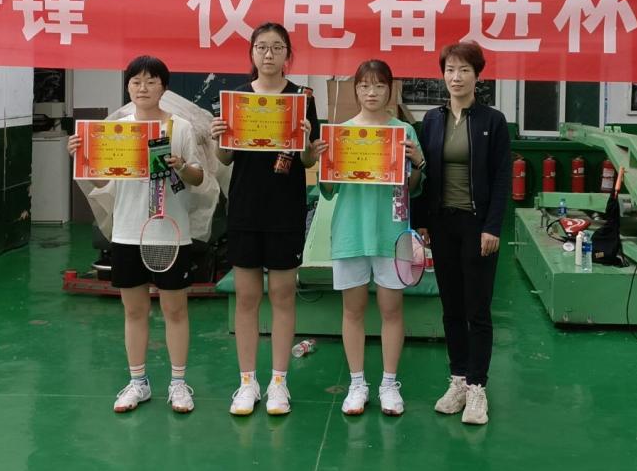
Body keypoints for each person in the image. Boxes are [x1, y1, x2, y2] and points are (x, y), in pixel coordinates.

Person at [68, 55, 205, 414]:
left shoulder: (180, 128)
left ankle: (178, 384)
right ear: (128, 87)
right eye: (136, 82)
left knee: (175, 310)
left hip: (172, 234)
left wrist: (181, 166)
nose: (143, 88)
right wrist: (82, 155)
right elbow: (101, 179)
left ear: (164, 87)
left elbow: (198, 177)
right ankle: (138, 382)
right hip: (128, 233)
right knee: (134, 311)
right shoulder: (116, 130)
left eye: (151, 81)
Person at [209, 22, 321, 416]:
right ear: (252, 53)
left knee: (283, 295)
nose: (269, 54)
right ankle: (247, 382)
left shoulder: (302, 99)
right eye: (261, 47)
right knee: (246, 297)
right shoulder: (236, 99)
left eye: (276, 47)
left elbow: (307, 160)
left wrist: (307, 141)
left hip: (284, 209)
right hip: (244, 207)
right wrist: (219, 137)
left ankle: (278, 382)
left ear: (287, 54)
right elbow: (226, 158)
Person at [318, 60, 425, 417]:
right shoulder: (341, 134)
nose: (372, 92)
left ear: (390, 90)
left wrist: (418, 162)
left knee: (392, 310)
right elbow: (329, 191)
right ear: (356, 91)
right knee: (353, 311)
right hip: (350, 233)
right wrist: (326, 162)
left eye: (379, 85)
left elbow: (414, 187)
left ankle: (389, 384)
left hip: (391, 234)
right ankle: (357, 383)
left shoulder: (404, 133)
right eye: (364, 86)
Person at [413, 41, 510, 426]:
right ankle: (458, 381)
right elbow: (424, 175)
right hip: (442, 224)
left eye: (464, 70)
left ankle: (477, 387)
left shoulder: (492, 121)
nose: (456, 77)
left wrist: (492, 226)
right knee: (451, 307)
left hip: (476, 225)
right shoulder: (432, 120)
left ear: (477, 76)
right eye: (450, 70)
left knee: (477, 309)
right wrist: (422, 221)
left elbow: (501, 178)